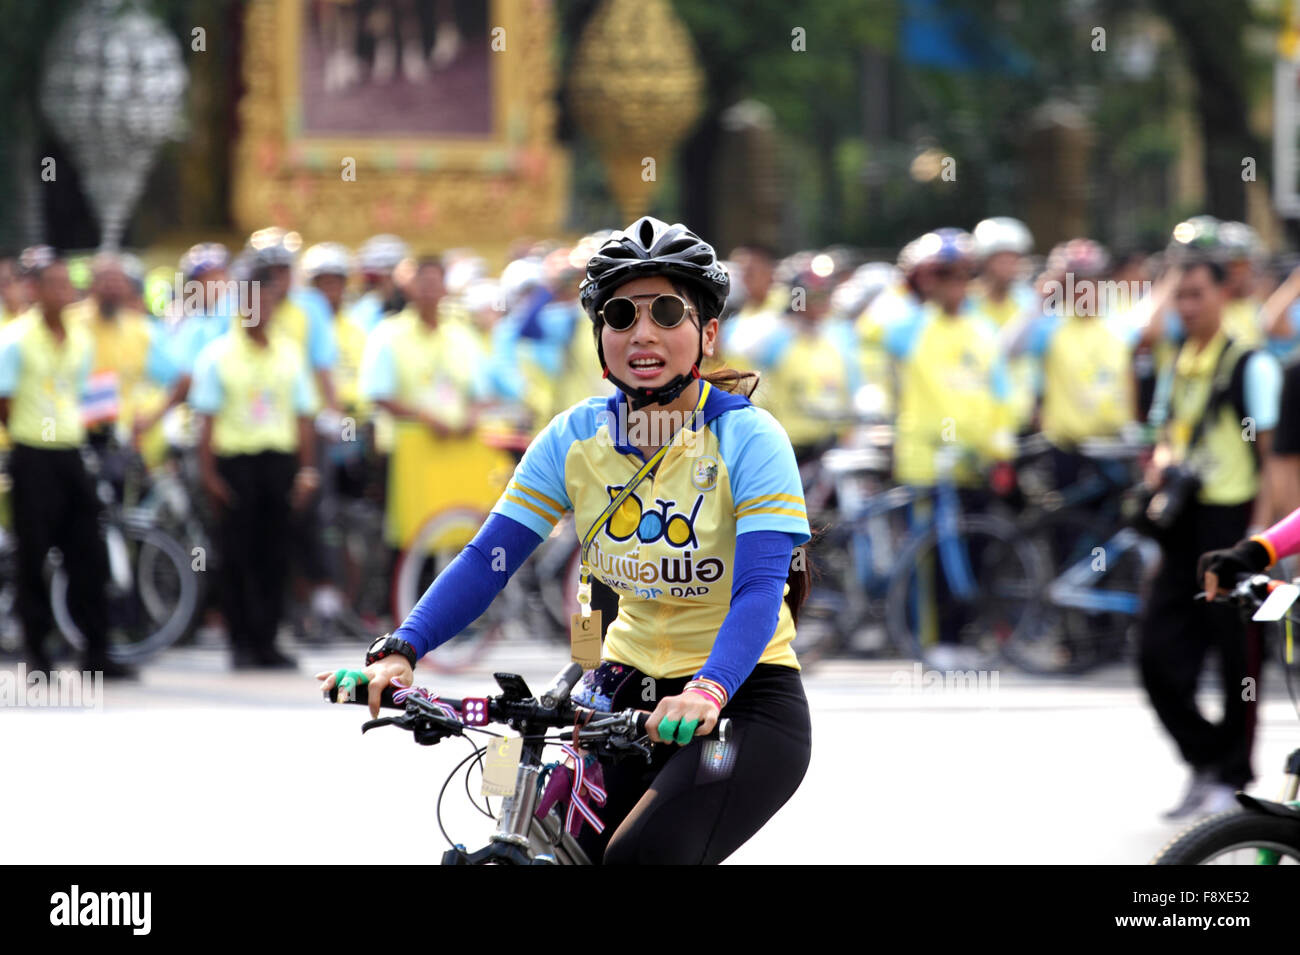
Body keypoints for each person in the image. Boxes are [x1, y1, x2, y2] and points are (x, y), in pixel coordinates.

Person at [320, 216, 814, 865]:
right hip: (620, 692)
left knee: (640, 857)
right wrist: (401, 647)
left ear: (708, 332)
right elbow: (487, 560)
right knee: (536, 840)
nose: (642, 332)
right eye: (620, 314)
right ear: (599, 333)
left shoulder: (749, 438)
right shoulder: (571, 438)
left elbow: (758, 589)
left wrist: (707, 690)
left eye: (668, 312)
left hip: (738, 710)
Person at [1138, 256, 1282, 819]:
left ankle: (1233, 775)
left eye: (1198, 294)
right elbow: (1165, 430)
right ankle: (1206, 758)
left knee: (1236, 661)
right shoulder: (1180, 359)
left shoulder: (1251, 364)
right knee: (1155, 655)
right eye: (1181, 296)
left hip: (1235, 523)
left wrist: (1260, 534)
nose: (1188, 306)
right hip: (1185, 527)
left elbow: (1273, 458)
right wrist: (1165, 464)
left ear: (1225, 294)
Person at [0, 248, 131, 678]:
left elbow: (84, 395)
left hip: (71, 453)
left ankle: (96, 648)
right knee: (33, 554)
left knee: (87, 552)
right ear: (34, 290)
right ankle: (36, 651)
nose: (64, 292)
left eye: (66, 283)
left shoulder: (80, 339)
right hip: (32, 453)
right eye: (54, 284)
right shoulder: (15, 340)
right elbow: (5, 400)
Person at [189, 251, 319, 669]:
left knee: (275, 554)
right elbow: (205, 420)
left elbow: (303, 417)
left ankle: (268, 639)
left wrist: (306, 470)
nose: (258, 311)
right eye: (251, 303)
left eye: (266, 303)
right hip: (237, 464)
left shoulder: (288, 354)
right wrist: (208, 474)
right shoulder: (218, 356)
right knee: (237, 555)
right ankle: (241, 641)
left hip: (278, 464)